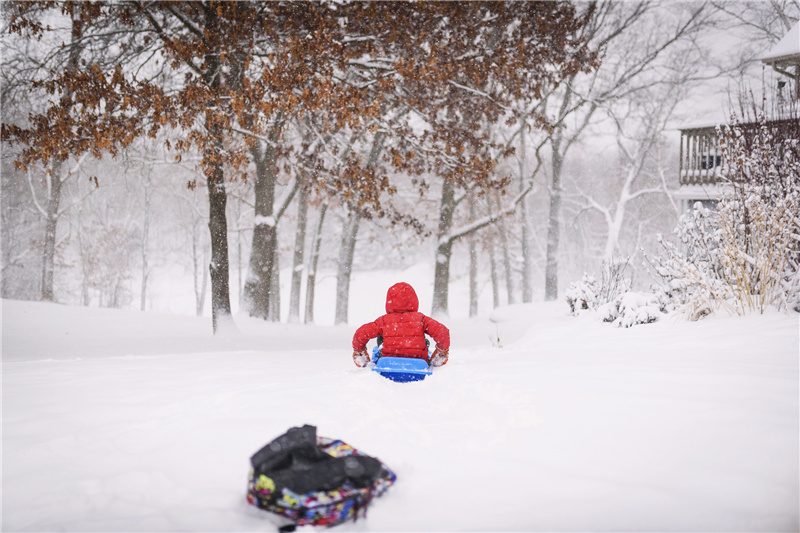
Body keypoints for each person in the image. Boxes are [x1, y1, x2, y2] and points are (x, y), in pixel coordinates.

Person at [352, 282, 450, 368]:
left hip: (389, 361)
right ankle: (437, 357)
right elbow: (442, 332)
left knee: (381, 338)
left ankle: (364, 357)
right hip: (418, 360)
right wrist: (442, 351)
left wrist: (359, 350)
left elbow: (361, 333)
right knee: (425, 341)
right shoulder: (421, 319)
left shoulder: (384, 321)